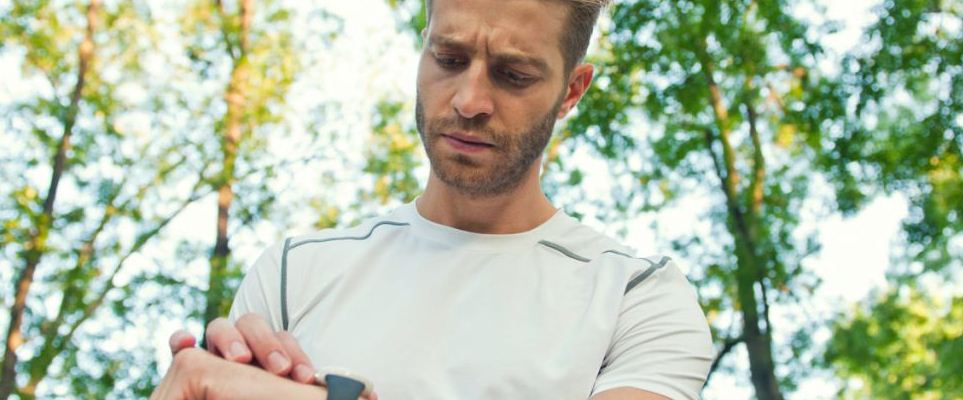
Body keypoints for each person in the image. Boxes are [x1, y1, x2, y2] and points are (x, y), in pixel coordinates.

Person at [152, 0, 713, 398]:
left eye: (513, 75)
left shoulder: (636, 298)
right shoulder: (293, 271)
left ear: (571, 91)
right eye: (448, 59)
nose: (469, 100)